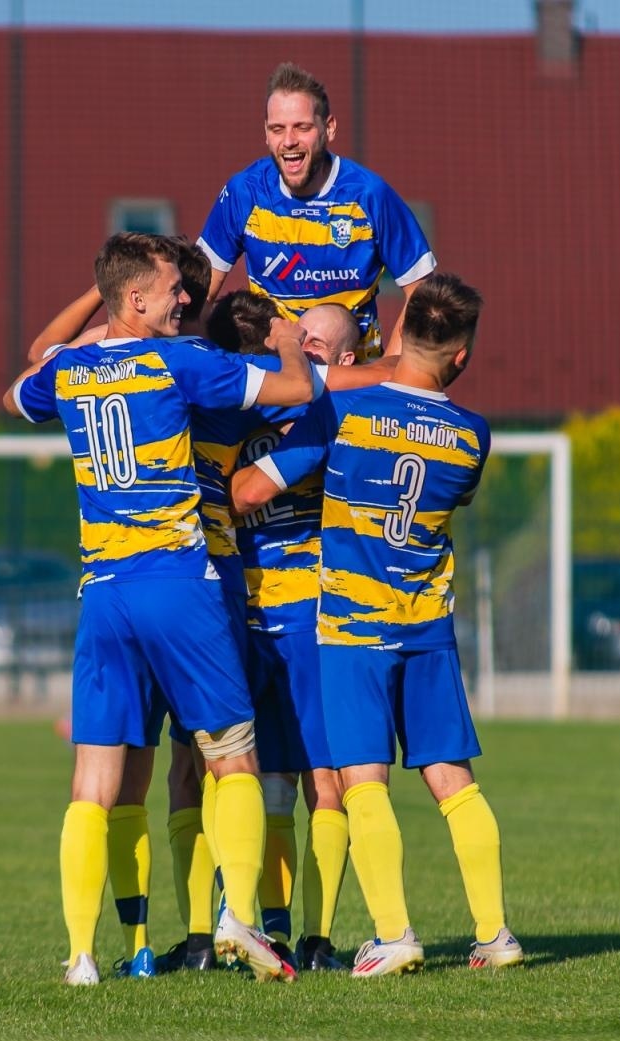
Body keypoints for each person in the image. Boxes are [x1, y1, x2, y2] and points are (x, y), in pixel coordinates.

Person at [5, 231, 314, 985]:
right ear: (137, 298)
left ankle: (82, 954)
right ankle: (239, 915)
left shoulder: (73, 370)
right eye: (173, 289)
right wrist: (292, 342)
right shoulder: (183, 362)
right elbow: (297, 392)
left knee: (95, 780)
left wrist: (101, 297)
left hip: (103, 597)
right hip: (179, 579)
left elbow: (17, 388)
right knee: (230, 756)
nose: (186, 300)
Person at [232, 273, 524, 977]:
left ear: (404, 336)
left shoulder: (342, 415)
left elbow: (248, 492)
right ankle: (495, 933)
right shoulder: (472, 436)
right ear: (461, 355)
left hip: (354, 631)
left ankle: (395, 933)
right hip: (426, 627)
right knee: (455, 779)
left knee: (363, 780)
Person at [236, 300, 363, 972]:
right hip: (245, 613)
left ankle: (317, 937)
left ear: (343, 362)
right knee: (262, 782)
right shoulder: (256, 394)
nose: (295, 346)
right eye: (292, 333)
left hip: (308, 617)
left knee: (326, 780)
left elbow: (249, 492)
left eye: (312, 343)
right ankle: (271, 929)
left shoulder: (324, 413)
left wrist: (188, 490)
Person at [198, 63, 435, 361]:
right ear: (266, 135)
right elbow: (200, 293)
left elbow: (422, 289)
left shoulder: (369, 194)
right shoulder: (245, 193)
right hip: (276, 375)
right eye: (277, 129)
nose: (289, 141)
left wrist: (389, 371)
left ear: (329, 128)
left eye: (302, 127)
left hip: (355, 376)